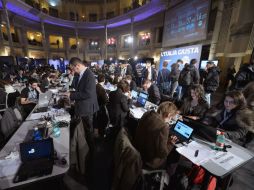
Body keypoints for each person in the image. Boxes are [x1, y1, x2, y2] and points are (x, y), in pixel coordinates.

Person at [65, 57, 99, 149]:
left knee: (88, 132)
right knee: (84, 131)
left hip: (87, 109)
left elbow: (88, 93)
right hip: (83, 107)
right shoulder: (81, 74)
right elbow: (80, 89)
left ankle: (91, 152)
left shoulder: (89, 75)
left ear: (78, 66)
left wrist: (71, 95)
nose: (73, 71)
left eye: (73, 69)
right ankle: (85, 148)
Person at [134, 101, 178, 169]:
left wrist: (167, 140)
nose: (170, 120)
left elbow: (151, 135)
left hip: (136, 149)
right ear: (168, 115)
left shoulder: (147, 113)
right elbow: (162, 154)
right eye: (171, 118)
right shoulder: (164, 127)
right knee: (173, 159)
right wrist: (171, 143)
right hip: (148, 160)